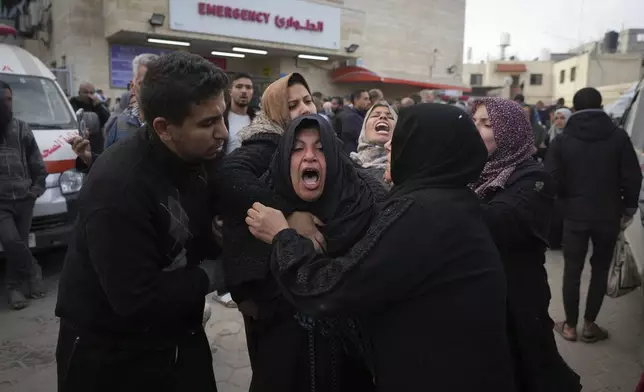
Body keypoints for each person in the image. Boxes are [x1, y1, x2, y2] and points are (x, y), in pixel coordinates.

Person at [246, 103, 516, 392]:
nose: (389, 146)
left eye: (399, 139)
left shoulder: (421, 213)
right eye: (297, 149)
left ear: (422, 150)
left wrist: (283, 237)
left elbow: (331, 290)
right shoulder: (450, 201)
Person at [55, 52, 228, 392]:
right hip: (111, 358)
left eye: (221, 117)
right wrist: (219, 271)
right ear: (164, 127)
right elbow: (137, 299)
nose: (222, 133)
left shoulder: (198, 156)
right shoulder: (118, 187)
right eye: (208, 123)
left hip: (180, 338)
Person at [241, 113, 383, 391]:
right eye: (297, 149)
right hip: (282, 365)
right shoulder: (262, 209)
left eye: (320, 148)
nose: (309, 157)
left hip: (349, 368)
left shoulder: (365, 206)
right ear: (284, 160)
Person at [471, 97, 581, 392]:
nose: (476, 129)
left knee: (528, 367)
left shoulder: (532, 176)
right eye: (474, 122)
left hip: (517, 297)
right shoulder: (476, 170)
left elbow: (496, 222)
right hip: (481, 296)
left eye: (487, 123)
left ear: (510, 131)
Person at [547, 87, 642, 343]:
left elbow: (551, 180)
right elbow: (633, 177)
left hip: (574, 216)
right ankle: (590, 326)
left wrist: (564, 203)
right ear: (601, 106)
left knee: (572, 270)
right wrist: (628, 209)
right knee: (600, 269)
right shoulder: (618, 137)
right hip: (608, 215)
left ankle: (569, 326)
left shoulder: (562, 141)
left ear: (574, 109)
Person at [0, 81, 47, 310]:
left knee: (15, 245)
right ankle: (32, 270)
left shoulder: (22, 129)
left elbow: (38, 165)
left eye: (9, 99)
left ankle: (13, 287)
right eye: (2, 100)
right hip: (2, 204)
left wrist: (35, 190)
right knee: (11, 240)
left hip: (25, 199)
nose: (6, 105)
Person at [104, 53, 158, 150]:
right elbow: (107, 162)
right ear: (132, 87)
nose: (150, 89)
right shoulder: (120, 123)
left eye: (155, 83)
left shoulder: (171, 125)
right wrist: (88, 157)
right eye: (143, 83)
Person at [350, 102, 397, 188]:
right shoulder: (348, 166)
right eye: (375, 115)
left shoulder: (408, 170)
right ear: (364, 128)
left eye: (390, 117)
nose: (383, 117)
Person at [546, 107, 573, 249]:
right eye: (556, 118)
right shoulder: (550, 134)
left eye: (562, 118)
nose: (559, 121)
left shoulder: (573, 138)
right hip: (552, 178)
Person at [69, 81, 111, 153]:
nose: (89, 95)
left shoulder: (97, 104)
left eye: (91, 93)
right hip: (79, 140)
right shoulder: (72, 103)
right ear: (79, 93)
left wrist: (98, 106)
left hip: (96, 143)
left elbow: (107, 120)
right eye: (85, 92)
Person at [337, 89, 371, 154]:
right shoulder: (351, 117)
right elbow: (364, 138)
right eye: (365, 99)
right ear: (356, 100)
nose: (369, 102)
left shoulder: (361, 115)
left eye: (369, 99)